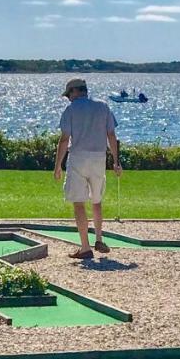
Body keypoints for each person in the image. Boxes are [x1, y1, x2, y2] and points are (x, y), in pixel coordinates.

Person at [53, 78, 121, 259]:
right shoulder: (103, 106)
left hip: (78, 158)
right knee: (97, 200)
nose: (68, 98)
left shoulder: (71, 110)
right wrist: (116, 161)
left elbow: (64, 139)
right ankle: (99, 237)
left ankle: (85, 247)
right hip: (99, 157)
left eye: (68, 94)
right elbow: (111, 135)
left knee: (78, 202)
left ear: (75, 91)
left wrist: (58, 165)